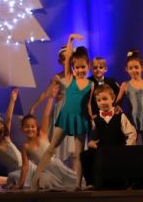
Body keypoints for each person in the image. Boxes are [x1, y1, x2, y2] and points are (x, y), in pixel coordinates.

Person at [32, 33, 92, 190]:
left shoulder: (89, 83)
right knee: (53, 148)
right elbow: (68, 61)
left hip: (79, 118)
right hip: (65, 115)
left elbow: (88, 104)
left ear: (88, 66)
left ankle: (77, 184)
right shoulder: (67, 78)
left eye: (83, 67)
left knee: (78, 153)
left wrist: (92, 118)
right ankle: (36, 179)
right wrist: (70, 40)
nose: (80, 70)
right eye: (77, 67)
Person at [16, 91, 77, 190]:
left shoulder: (43, 134)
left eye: (32, 126)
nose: (30, 129)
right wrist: (20, 185)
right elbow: (25, 167)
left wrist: (51, 98)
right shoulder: (25, 146)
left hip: (56, 166)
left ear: (37, 128)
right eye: (26, 127)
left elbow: (46, 114)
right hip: (44, 171)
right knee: (41, 180)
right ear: (22, 129)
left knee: (74, 182)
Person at [80, 84, 136, 187]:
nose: (102, 102)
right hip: (101, 149)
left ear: (113, 99)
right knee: (86, 155)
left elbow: (132, 133)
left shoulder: (120, 116)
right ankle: (92, 182)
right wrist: (91, 143)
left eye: (105, 99)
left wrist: (127, 148)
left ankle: (125, 181)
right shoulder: (95, 119)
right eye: (99, 100)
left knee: (127, 159)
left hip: (117, 149)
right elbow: (93, 137)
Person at [28, 45, 76, 167]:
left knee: (73, 143)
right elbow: (46, 93)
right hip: (61, 110)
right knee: (59, 141)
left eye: (68, 58)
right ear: (60, 61)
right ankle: (58, 169)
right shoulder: (57, 77)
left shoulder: (77, 76)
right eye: (63, 59)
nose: (66, 61)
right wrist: (34, 106)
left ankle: (73, 174)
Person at [0, 89, 37, 189]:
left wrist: (12, 100)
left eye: (0, 132)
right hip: (15, 173)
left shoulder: (6, 138)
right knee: (14, 180)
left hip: (26, 167)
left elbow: (8, 118)